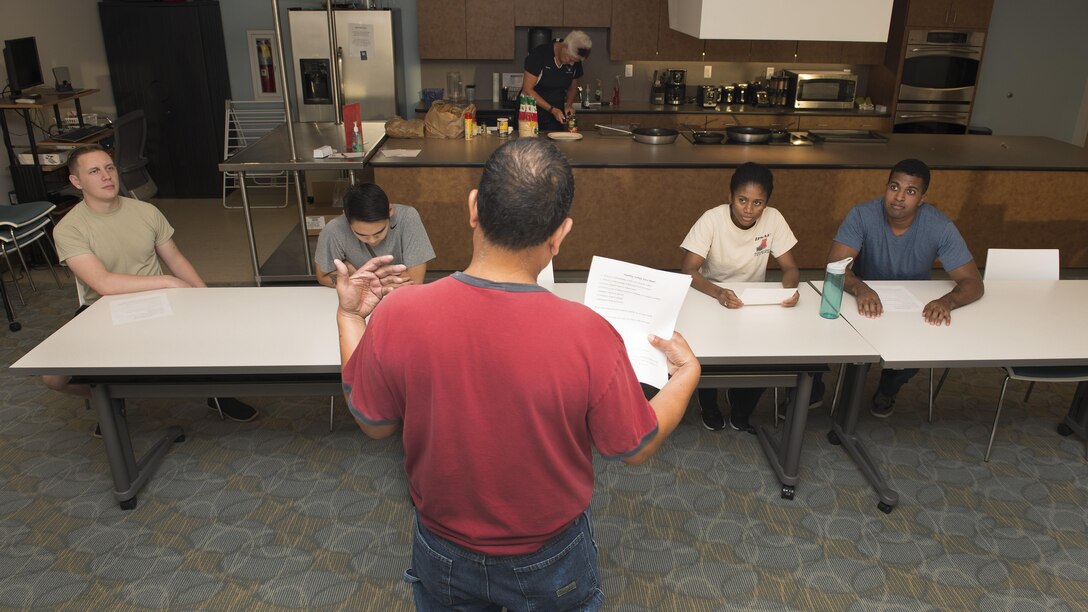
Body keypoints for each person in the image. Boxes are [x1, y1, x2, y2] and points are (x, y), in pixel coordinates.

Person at [334, 138, 700, 610]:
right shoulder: (589, 333)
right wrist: (685, 374)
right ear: (560, 234)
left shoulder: (399, 312)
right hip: (549, 555)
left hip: (442, 548)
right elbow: (634, 446)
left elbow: (373, 423)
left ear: (473, 208)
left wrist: (350, 317)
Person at [42, 144, 258, 425]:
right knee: (53, 378)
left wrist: (204, 296)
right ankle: (108, 403)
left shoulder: (145, 211)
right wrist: (167, 281)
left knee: (212, 336)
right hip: (101, 309)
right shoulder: (68, 228)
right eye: (94, 171)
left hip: (157, 302)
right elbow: (103, 283)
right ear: (76, 181)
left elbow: (176, 259)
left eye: (109, 168)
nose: (106, 176)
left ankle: (218, 393)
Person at [827, 157, 984, 418]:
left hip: (913, 306)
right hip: (864, 302)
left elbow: (973, 283)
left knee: (921, 345)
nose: (899, 197)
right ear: (886, 187)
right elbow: (836, 266)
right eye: (894, 187)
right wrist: (861, 288)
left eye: (910, 191)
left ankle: (888, 388)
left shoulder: (940, 226)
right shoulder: (862, 214)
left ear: (922, 198)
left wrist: (946, 302)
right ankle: (846, 393)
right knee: (839, 341)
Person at [680, 162, 809, 434]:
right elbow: (689, 270)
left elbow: (791, 269)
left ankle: (741, 406)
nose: (749, 209)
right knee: (705, 351)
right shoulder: (712, 219)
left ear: (766, 203)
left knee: (767, 353)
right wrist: (718, 292)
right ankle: (709, 405)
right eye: (742, 200)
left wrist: (787, 291)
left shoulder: (773, 219)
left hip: (751, 301)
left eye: (757, 203)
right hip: (710, 294)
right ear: (730, 196)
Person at [314, 183, 434, 288]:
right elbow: (323, 276)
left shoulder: (407, 217)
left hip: (399, 297)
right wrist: (382, 281)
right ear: (346, 218)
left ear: (390, 211)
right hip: (358, 296)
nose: (372, 240)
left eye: (379, 233)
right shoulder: (334, 229)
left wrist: (356, 275)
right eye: (362, 235)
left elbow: (415, 281)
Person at [522, 30, 592, 132]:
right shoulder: (540, 54)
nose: (571, 63)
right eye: (570, 58)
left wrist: (568, 104)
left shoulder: (574, 61)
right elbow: (527, 90)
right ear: (565, 46)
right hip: (530, 112)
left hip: (556, 116)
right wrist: (551, 109)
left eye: (575, 61)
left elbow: (572, 88)